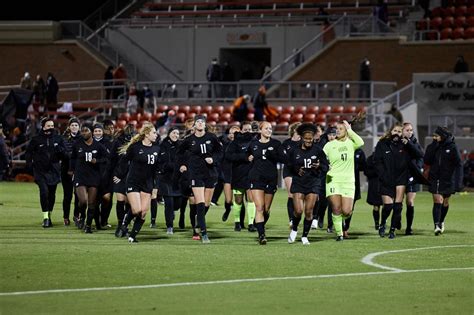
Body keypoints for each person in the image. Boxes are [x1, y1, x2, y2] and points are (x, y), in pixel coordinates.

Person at [176, 115, 223, 243]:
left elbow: (220, 152)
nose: (200, 123)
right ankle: (203, 232)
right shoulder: (189, 140)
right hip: (195, 173)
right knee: (200, 203)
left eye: (202, 121)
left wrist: (213, 159)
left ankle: (198, 222)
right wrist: (182, 164)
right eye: (198, 122)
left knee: (206, 204)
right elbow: (179, 153)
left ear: (205, 124)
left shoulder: (212, 137)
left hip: (210, 173)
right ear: (194, 125)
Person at [374, 123, 423, 239]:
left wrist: (409, 144)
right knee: (388, 206)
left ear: (402, 134)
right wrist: (382, 175)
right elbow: (377, 161)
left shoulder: (405, 145)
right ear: (391, 131)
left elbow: (420, 154)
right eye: (395, 131)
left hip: (401, 178)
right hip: (386, 179)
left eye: (399, 131)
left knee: (398, 206)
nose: (397, 133)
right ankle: (383, 223)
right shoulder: (382, 144)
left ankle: (392, 229)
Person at [114, 123, 160, 243]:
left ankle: (132, 236)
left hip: (148, 183)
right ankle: (124, 222)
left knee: (143, 212)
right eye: (154, 132)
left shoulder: (157, 148)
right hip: (133, 181)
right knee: (136, 210)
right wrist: (119, 175)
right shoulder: (135, 147)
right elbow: (124, 161)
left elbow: (156, 169)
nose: (156, 135)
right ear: (146, 134)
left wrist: (156, 185)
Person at [323, 120, 364, 241]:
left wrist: (350, 130)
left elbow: (360, 142)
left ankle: (338, 221)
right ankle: (339, 233)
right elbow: (321, 159)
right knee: (336, 208)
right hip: (332, 179)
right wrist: (325, 166)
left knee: (346, 211)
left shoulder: (351, 143)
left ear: (346, 131)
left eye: (341, 128)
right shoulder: (329, 145)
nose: (338, 130)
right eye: (337, 128)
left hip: (348, 181)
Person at [287, 123, 328, 245]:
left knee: (309, 211)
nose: (309, 141)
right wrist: (296, 169)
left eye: (311, 139)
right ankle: (294, 229)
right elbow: (288, 165)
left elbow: (326, 166)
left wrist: (319, 166)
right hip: (299, 182)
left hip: (313, 182)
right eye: (306, 139)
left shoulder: (318, 150)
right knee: (298, 211)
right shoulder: (294, 150)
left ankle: (305, 236)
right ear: (302, 138)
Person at [25, 117, 66, 227]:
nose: (51, 128)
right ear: (43, 127)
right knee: (44, 192)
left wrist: (61, 151)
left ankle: (49, 215)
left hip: (54, 171)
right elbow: (28, 153)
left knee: (52, 194)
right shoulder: (36, 139)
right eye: (48, 126)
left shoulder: (59, 139)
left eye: (52, 126)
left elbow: (65, 154)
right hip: (40, 171)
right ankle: (46, 218)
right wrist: (30, 165)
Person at [247, 121, 282, 245]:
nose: (269, 130)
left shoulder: (276, 144)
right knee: (259, 207)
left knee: (266, 209)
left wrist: (274, 155)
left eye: (270, 128)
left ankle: (260, 225)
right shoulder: (253, 144)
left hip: (271, 179)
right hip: (256, 178)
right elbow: (246, 156)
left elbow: (283, 159)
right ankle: (261, 235)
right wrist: (248, 158)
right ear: (260, 130)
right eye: (266, 128)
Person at [70, 124, 108, 233]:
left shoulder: (98, 146)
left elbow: (106, 158)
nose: (83, 133)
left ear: (91, 132)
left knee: (92, 203)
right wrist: (71, 170)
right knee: (83, 201)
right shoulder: (77, 144)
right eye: (82, 131)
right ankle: (82, 216)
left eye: (86, 131)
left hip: (94, 177)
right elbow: (72, 158)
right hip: (80, 176)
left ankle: (88, 225)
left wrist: (98, 161)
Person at [424, 126, 462, 235]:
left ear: (443, 136)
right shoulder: (433, 146)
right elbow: (427, 160)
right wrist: (433, 146)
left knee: (445, 202)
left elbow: (459, 164)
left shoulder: (453, 147)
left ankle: (441, 221)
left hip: (448, 179)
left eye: (437, 136)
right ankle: (436, 225)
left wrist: (458, 182)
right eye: (434, 136)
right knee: (437, 201)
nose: (434, 137)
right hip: (435, 178)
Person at [225, 122, 257, 232]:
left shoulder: (255, 141)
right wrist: (245, 157)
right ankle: (237, 222)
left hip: (251, 173)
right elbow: (228, 156)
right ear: (241, 130)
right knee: (238, 200)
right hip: (238, 174)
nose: (248, 131)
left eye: (250, 129)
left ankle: (251, 223)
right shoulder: (235, 142)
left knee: (251, 199)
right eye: (246, 129)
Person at [157, 127, 181, 234]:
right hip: (165, 178)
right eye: (174, 133)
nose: (175, 135)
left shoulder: (181, 146)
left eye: (177, 133)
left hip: (178, 179)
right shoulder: (162, 146)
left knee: (177, 204)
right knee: (169, 202)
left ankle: (172, 212)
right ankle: (169, 226)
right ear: (169, 134)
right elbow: (160, 161)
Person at [402, 122, 424, 235]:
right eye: (407, 130)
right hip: (400, 175)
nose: (409, 132)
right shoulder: (398, 143)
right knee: (397, 202)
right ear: (402, 131)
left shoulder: (415, 143)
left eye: (411, 130)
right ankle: (397, 222)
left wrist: (419, 168)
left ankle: (409, 227)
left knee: (410, 202)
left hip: (412, 176)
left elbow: (420, 155)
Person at [279, 122, 301, 228]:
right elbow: (283, 158)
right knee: (291, 194)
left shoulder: (304, 143)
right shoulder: (286, 143)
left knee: (300, 195)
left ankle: (298, 215)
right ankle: (291, 220)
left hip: (301, 171)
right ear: (294, 131)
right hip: (289, 171)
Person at [61, 117, 80, 226]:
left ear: (79, 127)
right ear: (69, 127)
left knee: (78, 195)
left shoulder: (83, 138)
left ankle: (76, 216)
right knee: (67, 195)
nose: (74, 127)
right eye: (72, 125)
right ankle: (66, 217)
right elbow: (64, 153)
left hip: (79, 171)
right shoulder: (63, 138)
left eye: (76, 125)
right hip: (66, 170)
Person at [364, 153, 383, 230]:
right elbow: (366, 171)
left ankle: (383, 222)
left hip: (384, 183)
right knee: (376, 206)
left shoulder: (384, 157)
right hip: (374, 184)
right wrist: (376, 172)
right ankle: (377, 223)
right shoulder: (370, 159)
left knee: (387, 205)